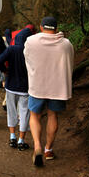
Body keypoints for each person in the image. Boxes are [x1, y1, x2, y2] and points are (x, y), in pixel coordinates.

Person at [24, 16, 74, 167]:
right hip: (58, 88)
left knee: (34, 116)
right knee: (53, 115)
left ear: (41, 27)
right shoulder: (66, 44)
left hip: (37, 86)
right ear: (56, 28)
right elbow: (70, 62)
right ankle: (48, 150)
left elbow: (27, 58)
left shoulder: (31, 41)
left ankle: (37, 146)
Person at [0, 28, 33, 151]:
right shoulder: (30, 51)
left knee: (11, 112)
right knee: (24, 114)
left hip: (10, 86)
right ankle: (21, 140)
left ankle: (12, 137)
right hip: (25, 88)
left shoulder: (11, 49)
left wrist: (5, 71)